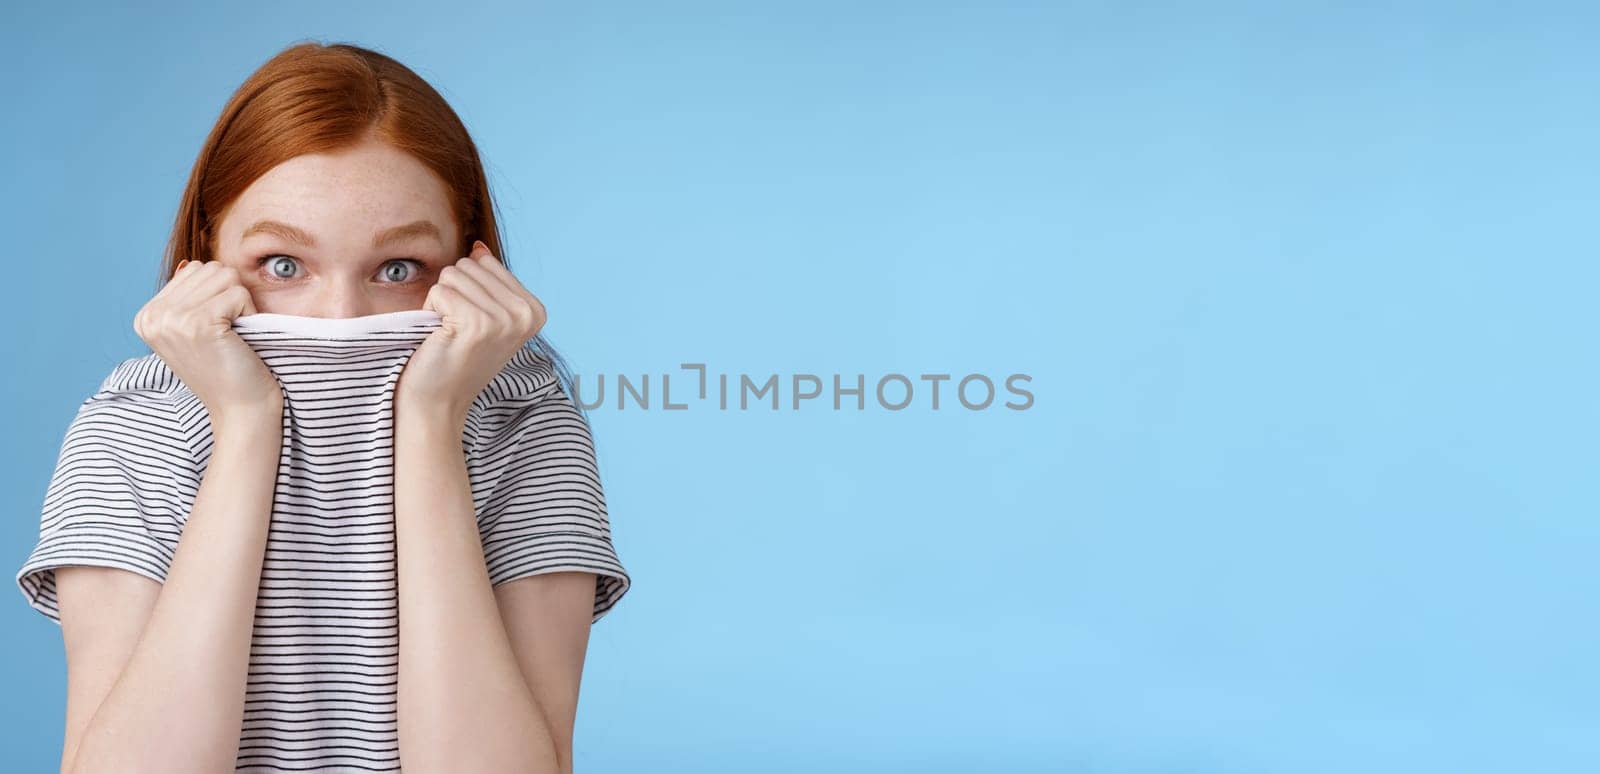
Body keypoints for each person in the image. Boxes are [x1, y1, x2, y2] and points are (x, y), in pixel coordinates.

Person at [14, 41, 630, 773]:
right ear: (207, 258)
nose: (338, 321)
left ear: (469, 268)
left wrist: (430, 428)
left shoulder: (525, 427)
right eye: (284, 266)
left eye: (397, 269)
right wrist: (246, 428)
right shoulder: (131, 428)